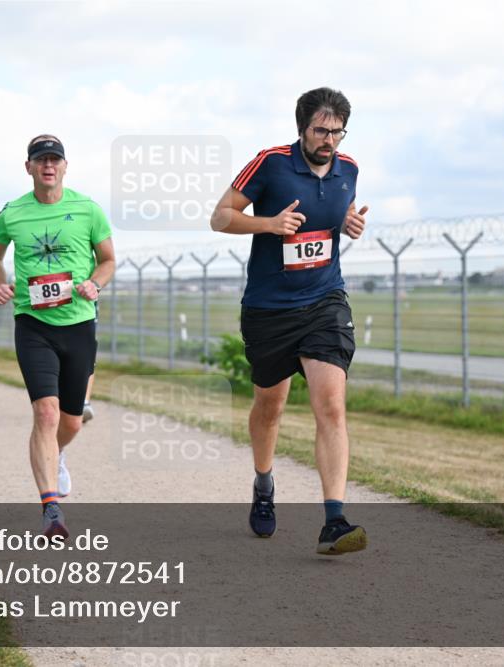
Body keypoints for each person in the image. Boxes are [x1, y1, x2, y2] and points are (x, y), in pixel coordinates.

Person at [210, 87, 370, 555]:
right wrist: (269, 224)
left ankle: (334, 520)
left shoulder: (350, 170)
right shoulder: (271, 163)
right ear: (302, 126)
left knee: (331, 405)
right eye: (322, 130)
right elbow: (220, 217)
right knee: (270, 408)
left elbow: (330, 219)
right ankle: (264, 483)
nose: (330, 140)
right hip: (269, 309)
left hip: (325, 302)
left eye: (338, 131)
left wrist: (349, 225)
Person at [0, 134, 115, 538]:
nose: (48, 165)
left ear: (64, 166)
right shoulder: (12, 213)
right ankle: (50, 508)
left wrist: (96, 283)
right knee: (45, 412)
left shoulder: (88, 208)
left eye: (54, 159)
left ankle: (55, 455)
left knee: (71, 423)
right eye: (40, 159)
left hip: (78, 322)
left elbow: (108, 260)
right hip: (33, 324)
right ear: (28, 168)